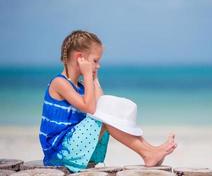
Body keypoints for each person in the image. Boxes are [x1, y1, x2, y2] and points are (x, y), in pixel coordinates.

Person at [39, 30, 177, 173]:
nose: (98, 66)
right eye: (95, 61)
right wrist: (87, 74)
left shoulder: (81, 87)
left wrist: (93, 79)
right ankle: (148, 153)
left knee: (107, 112)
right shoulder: (59, 83)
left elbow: (101, 104)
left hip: (73, 146)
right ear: (80, 58)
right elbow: (90, 109)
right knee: (104, 118)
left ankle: (150, 150)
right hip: (59, 152)